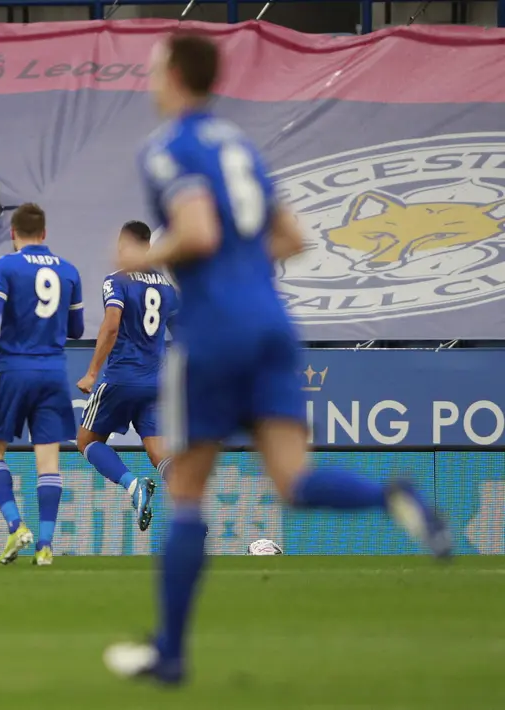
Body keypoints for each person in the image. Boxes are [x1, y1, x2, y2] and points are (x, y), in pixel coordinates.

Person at [102, 33, 451, 685]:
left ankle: (170, 653)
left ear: (175, 75)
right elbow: (291, 237)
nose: (149, 82)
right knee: (292, 480)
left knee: (183, 490)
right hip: (270, 322)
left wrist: (139, 258)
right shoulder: (239, 146)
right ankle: (389, 498)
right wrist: (239, 269)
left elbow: (199, 231)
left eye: (152, 70)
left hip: (213, 331)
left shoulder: (169, 147)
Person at [0, 203, 84, 566]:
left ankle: (15, 524)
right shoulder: (69, 271)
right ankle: (44, 545)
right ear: (44, 234)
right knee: (49, 461)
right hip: (54, 374)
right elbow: (75, 329)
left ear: (13, 234)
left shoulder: (6, 266)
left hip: (14, 370)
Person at [76, 220, 178, 532]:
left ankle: (133, 486)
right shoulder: (166, 287)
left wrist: (92, 372)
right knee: (157, 449)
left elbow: (111, 323)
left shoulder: (116, 281)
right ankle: (189, 507)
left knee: (87, 441)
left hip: (121, 377)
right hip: (155, 381)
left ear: (123, 245)